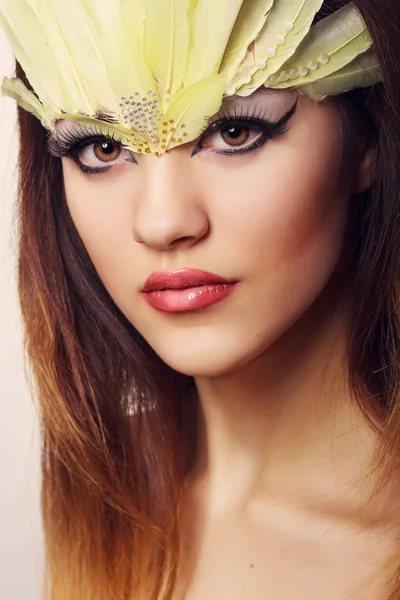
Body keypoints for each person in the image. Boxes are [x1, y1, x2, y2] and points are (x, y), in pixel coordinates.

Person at [1, 0, 400, 598]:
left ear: (366, 140)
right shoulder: (103, 496)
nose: (161, 222)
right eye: (103, 149)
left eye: (233, 132)